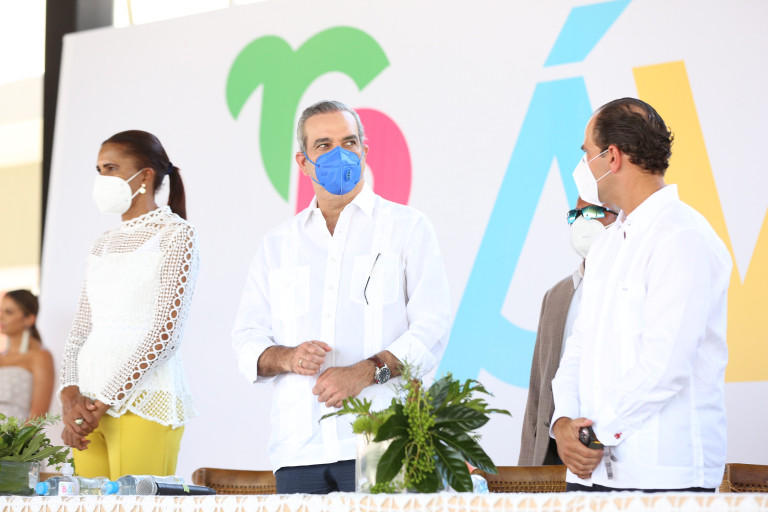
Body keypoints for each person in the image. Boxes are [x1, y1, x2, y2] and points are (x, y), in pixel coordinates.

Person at [232, 100, 451, 494]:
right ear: (303, 162)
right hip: (297, 447)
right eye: (324, 145)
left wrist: (363, 373)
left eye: (349, 142)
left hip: (382, 439)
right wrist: (288, 356)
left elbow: (431, 328)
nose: (340, 154)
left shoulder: (408, 228)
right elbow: (247, 338)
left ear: (364, 151)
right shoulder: (278, 245)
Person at [550, 98, 732, 492]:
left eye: (586, 153)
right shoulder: (606, 245)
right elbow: (578, 349)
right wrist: (563, 422)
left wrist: (594, 436)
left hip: (662, 477)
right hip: (589, 473)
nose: (583, 166)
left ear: (612, 157)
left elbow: (666, 363)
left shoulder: (683, 237)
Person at [60, 130, 200, 479]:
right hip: (88, 407)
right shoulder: (102, 244)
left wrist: (105, 400)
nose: (102, 179)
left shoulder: (175, 234)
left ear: (145, 175)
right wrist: (70, 397)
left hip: (144, 401)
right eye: (99, 170)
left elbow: (165, 335)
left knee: (136, 503)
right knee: (88, 503)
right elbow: (80, 331)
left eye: (111, 168)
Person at [518, 198, 616, 466]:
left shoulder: (631, 287)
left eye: (593, 212)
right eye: (575, 215)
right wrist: (527, 466)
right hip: (554, 450)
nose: (583, 222)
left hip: (609, 450)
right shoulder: (556, 296)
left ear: (620, 219)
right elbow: (539, 388)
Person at [0, 290, 54, 421]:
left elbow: (38, 416)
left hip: (16, 432)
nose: (1, 316)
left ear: (29, 319)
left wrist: (16, 435)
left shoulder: (40, 356)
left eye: (9, 312)